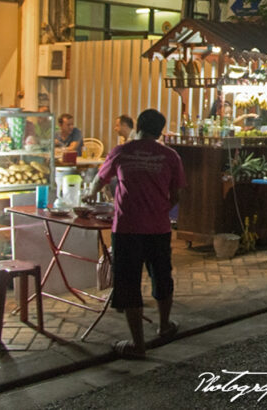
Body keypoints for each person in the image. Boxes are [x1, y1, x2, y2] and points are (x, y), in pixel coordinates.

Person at [82, 109, 186, 359]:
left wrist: (89, 195)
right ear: (160, 131)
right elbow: (178, 195)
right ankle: (164, 326)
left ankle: (137, 343)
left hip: (127, 228)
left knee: (128, 283)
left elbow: (98, 181)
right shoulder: (170, 156)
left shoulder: (121, 152)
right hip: (159, 228)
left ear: (138, 126)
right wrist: (159, 207)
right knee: (162, 277)